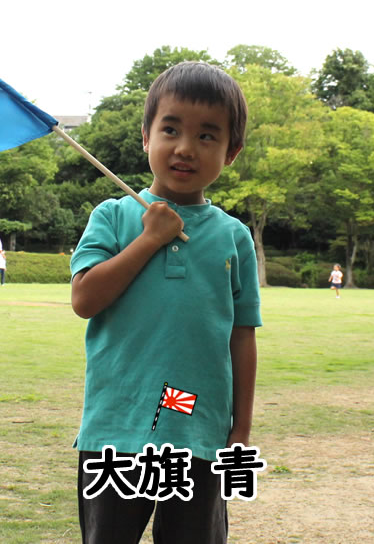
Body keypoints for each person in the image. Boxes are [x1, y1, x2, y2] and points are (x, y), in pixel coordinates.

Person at [70, 62, 262, 544]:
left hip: (199, 433)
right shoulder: (114, 216)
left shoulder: (233, 237)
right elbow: (85, 299)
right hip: (117, 431)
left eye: (206, 136)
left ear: (230, 152)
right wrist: (149, 239)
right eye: (170, 129)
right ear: (145, 136)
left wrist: (240, 429)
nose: (184, 147)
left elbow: (241, 336)